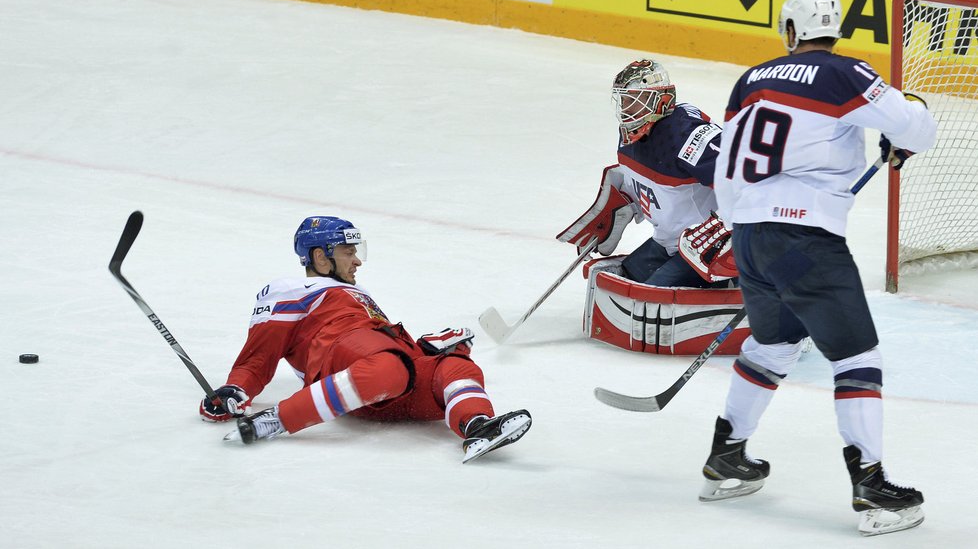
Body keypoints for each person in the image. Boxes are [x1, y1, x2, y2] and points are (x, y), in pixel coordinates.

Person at [701, 0, 936, 536]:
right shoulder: (844, 74)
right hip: (806, 239)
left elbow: (729, 164)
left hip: (750, 234)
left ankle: (726, 456)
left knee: (774, 345)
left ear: (789, 31)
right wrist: (906, 129)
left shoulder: (750, 80)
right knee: (858, 356)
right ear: (834, 30)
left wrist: (750, 235)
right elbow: (916, 128)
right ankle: (872, 486)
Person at [200, 215, 531, 463]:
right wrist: (234, 388)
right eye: (347, 251)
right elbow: (259, 355)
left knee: (456, 367)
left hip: (387, 377)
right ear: (319, 257)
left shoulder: (359, 293)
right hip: (342, 358)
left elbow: (382, 345)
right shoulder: (289, 291)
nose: (357, 260)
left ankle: (476, 426)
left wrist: (427, 348)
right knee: (389, 368)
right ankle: (276, 420)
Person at [557, 59, 736, 288]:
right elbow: (644, 186)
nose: (626, 109)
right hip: (668, 243)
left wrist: (731, 231)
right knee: (618, 283)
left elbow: (743, 181)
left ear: (659, 100)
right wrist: (622, 204)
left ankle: (738, 283)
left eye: (634, 101)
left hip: (701, 251)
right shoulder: (629, 136)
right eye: (624, 100)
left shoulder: (688, 135)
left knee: (647, 298)